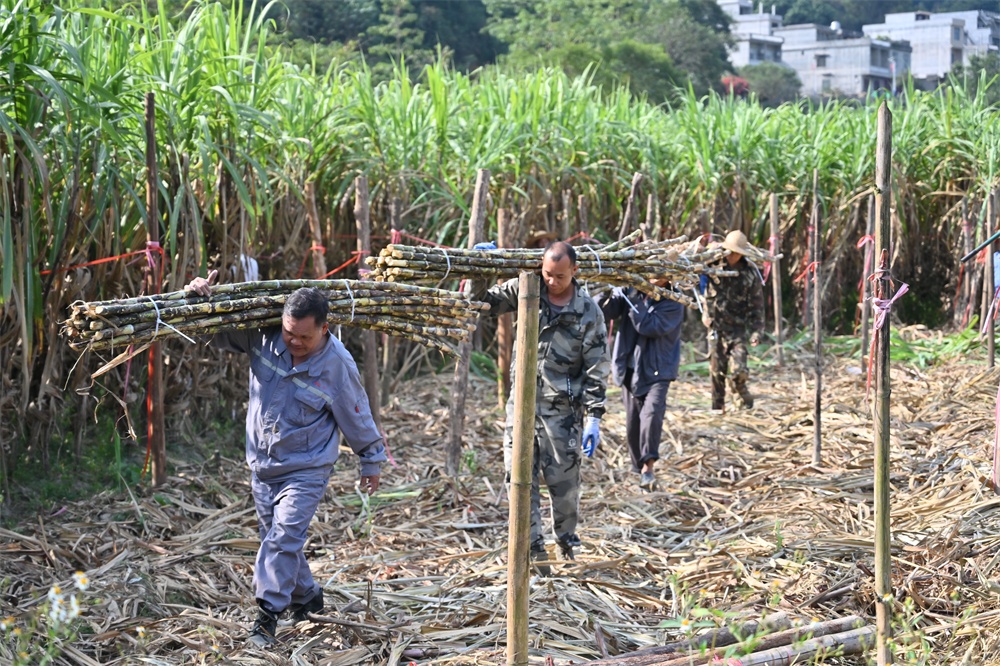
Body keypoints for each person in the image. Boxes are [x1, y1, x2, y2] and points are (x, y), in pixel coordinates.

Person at [185, 271, 386, 647]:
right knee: (277, 540)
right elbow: (209, 332)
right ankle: (307, 596)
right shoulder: (264, 336)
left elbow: (357, 414)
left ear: (325, 329)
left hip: (307, 468)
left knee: (282, 537)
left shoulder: (337, 366)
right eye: (288, 332)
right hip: (262, 465)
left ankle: (266, 617)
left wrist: (370, 459)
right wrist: (198, 300)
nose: (292, 341)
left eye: (303, 337)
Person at [480, 241, 609, 575]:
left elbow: (598, 365)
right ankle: (533, 549)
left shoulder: (588, 311)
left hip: (562, 412)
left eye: (561, 277)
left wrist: (594, 416)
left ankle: (566, 540)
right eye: (548, 274)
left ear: (575, 271)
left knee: (563, 485)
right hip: (520, 407)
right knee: (519, 479)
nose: (552, 282)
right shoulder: (528, 288)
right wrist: (479, 268)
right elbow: (481, 304)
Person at [600, 280, 684, 490]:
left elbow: (649, 326)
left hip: (659, 369)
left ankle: (648, 466)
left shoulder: (674, 300)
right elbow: (604, 312)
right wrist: (605, 291)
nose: (652, 278)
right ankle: (637, 468)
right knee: (632, 423)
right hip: (630, 369)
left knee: (651, 415)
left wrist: (634, 298)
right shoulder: (631, 292)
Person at [702, 230, 765, 411]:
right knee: (716, 372)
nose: (733, 255)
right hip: (716, 328)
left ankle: (744, 402)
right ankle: (717, 409)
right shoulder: (712, 265)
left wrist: (756, 332)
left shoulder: (750, 274)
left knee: (739, 371)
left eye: (737, 252)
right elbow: (695, 278)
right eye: (730, 251)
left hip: (737, 330)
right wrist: (705, 314)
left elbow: (757, 307)